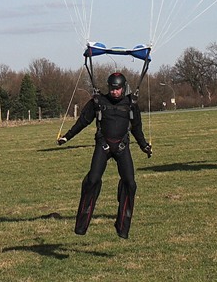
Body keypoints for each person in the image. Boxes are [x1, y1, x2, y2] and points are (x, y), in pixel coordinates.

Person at [58, 72, 152, 239]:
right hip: (103, 146)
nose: (114, 92)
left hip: (122, 146)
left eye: (118, 89)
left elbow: (136, 128)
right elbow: (82, 122)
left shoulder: (131, 104)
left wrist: (144, 145)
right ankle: (81, 225)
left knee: (130, 183)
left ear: (123, 88)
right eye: (112, 89)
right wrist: (67, 137)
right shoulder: (98, 102)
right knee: (92, 180)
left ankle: (122, 227)